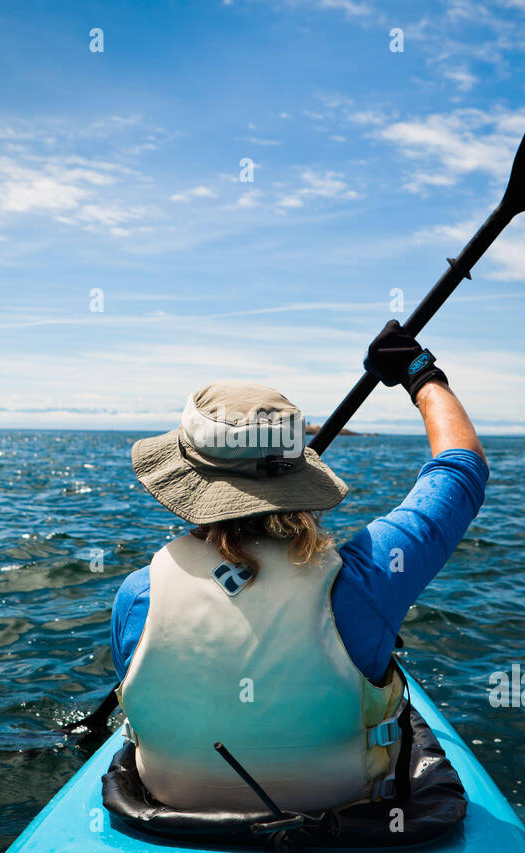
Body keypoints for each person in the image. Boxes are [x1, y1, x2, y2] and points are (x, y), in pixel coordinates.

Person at [110, 321, 488, 814]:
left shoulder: (139, 596)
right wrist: (420, 374)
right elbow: (460, 471)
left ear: (186, 482)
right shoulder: (367, 579)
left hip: (171, 815)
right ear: (296, 476)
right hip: (351, 814)